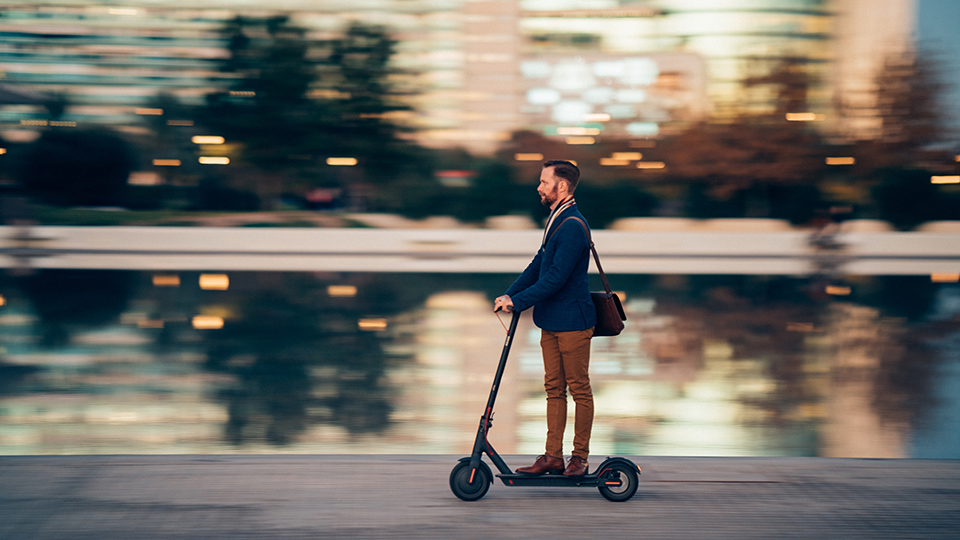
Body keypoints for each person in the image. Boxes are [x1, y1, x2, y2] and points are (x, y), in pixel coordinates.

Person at [493, 160, 596, 477]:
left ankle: (579, 458)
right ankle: (553, 457)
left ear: (561, 186)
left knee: (579, 389)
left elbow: (555, 278)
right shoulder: (557, 218)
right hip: (550, 319)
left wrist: (519, 301)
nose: (539, 187)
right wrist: (509, 294)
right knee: (554, 388)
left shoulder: (573, 225)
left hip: (573, 321)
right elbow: (538, 265)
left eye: (544, 181)